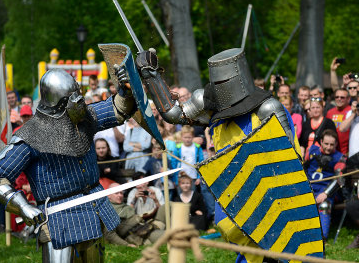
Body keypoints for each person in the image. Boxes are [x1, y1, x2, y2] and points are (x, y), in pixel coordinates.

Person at [135, 47, 323, 262]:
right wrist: (151, 75)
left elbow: (289, 158)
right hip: (234, 188)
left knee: (275, 245)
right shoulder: (209, 104)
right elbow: (173, 114)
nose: (223, 89)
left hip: (270, 190)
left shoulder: (267, 107)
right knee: (235, 233)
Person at [0, 68, 137, 262]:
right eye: (73, 98)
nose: (79, 102)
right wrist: (23, 206)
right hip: (59, 219)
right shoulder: (31, 135)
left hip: (94, 209)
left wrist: (127, 90)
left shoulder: (84, 118)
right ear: (61, 103)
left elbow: (117, 109)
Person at [305, 130, 346, 239]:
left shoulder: (340, 157)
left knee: (324, 205)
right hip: (309, 188)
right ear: (321, 142)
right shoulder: (311, 151)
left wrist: (325, 193)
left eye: (332, 144)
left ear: (336, 144)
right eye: (326, 144)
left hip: (327, 191)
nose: (328, 147)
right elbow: (302, 168)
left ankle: (322, 238)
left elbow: (339, 179)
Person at [326, 89, 351, 154]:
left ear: (348, 99)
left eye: (342, 97)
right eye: (337, 97)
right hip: (331, 151)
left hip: (347, 152)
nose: (339, 99)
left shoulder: (352, 112)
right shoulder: (329, 112)